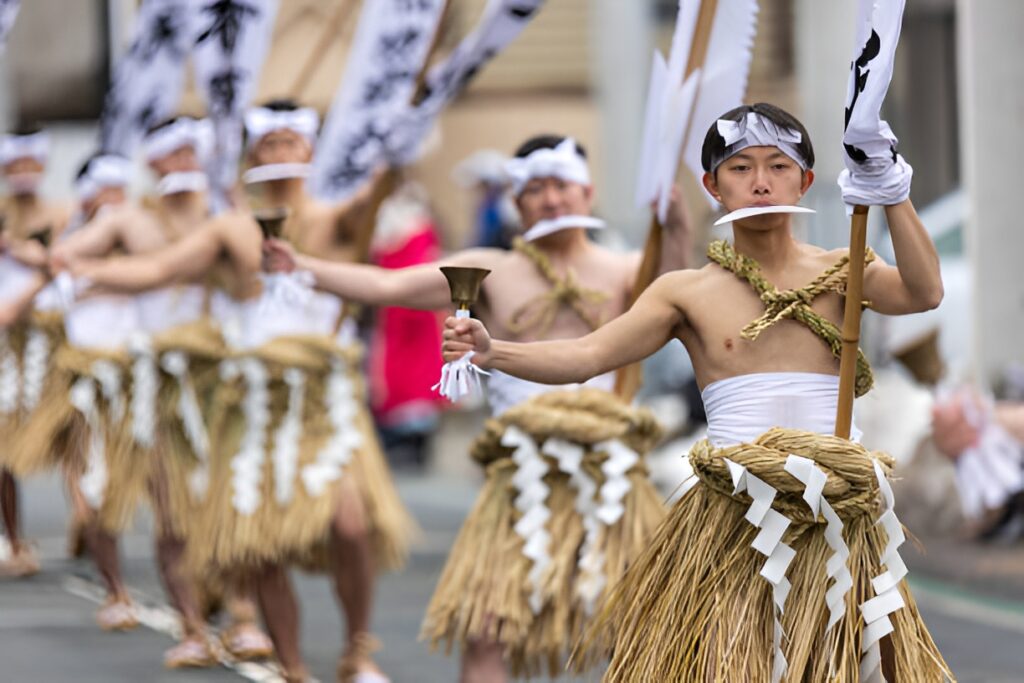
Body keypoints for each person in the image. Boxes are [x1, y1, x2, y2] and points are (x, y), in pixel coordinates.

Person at [441, 104, 952, 680]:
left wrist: (890, 189)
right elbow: (588, 356)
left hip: (837, 517)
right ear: (712, 185)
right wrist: (493, 352)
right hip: (732, 521)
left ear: (806, 180)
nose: (761, 182)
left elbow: (924, 291)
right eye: (740, 168)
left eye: (779, 165)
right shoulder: (684, 291)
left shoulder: (846, 269)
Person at [264, 132, 692, 680]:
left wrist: (676, 228)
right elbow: (382, 284)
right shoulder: (491, 270)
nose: (550, 199)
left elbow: (673, 296)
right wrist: (300, 264)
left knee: (642, 625)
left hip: (611, 477)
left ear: (587, 193)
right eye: (535, 189)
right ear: (516, 203)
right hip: (518, 472)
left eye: (561, 185)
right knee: (487, 626)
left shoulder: (629, 268)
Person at [56, 123, 272, 667]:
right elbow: (66, 257)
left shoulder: (226, 209)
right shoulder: (129, 219)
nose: (184, 160)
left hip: (224, 372)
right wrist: (100, 275)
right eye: (171, 153)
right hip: (155, 380)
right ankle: (193, 626)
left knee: (235, 499)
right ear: (152, 163)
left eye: (190, 151)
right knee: (172, 510)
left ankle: (243, 612)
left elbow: (264, 268)